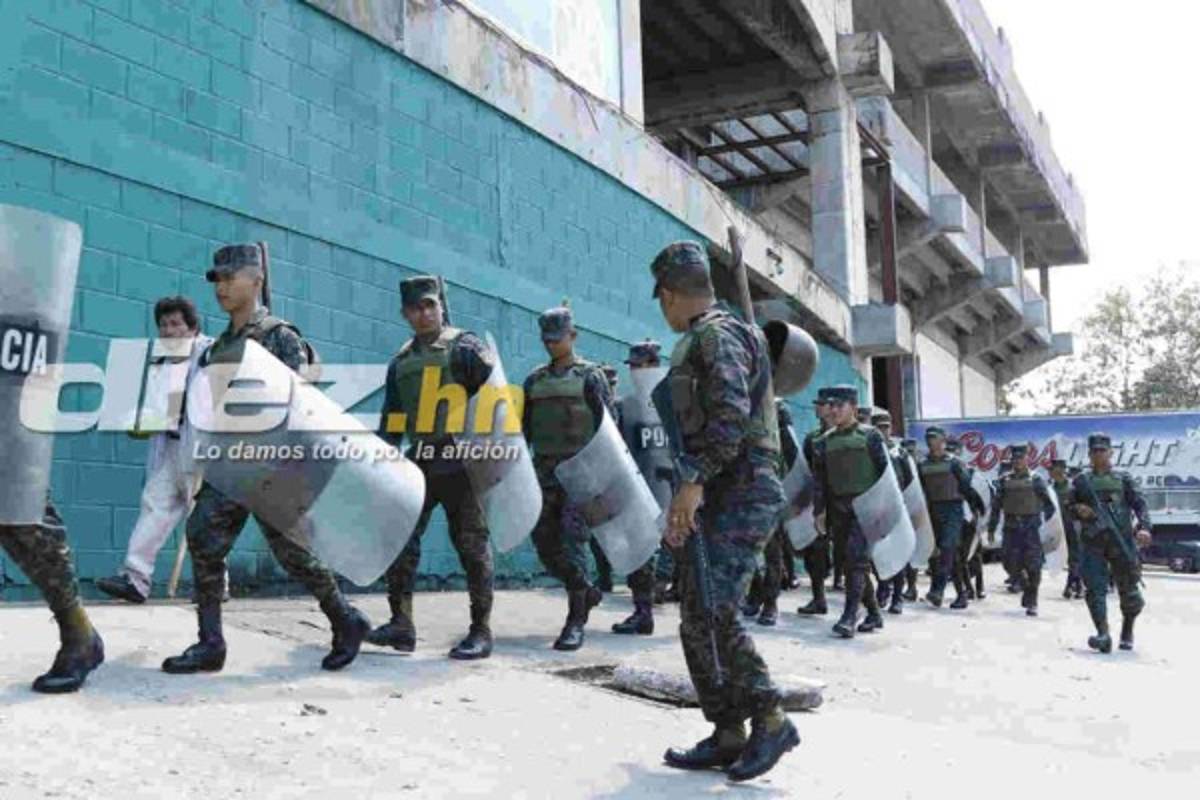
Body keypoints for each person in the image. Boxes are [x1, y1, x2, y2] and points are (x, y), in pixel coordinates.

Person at [161, 244, 370, 674]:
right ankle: (210, 643)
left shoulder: (279, 335)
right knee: (203, 538)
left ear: (256, 280)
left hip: (273, 465)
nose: (221, 286)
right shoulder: (219, 346)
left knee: (293, 555)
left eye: (229, 277)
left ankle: (345, 618)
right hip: (231, 463)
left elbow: (300, 406)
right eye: (216, 279)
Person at [650, 241, 797, 782]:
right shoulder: (706, 336)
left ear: (668, 295)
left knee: (718, 611)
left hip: (741, 487)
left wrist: (693, 484)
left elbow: (731, 419)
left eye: (661, 301)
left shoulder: (718, 335)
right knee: (695, 613)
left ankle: (772, 718)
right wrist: (688, 493)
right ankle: (728, 729)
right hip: (715, 487)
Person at [367, 275, 497, 660]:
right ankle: (401, 625)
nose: (424, 314)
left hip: (461, 461)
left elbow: (494, 402)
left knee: (471, 546)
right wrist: (384, 459)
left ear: (441, 305)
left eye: (430, 305)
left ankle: (481, 630)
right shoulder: (402, 361)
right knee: (399, 540)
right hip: (421, 460)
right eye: (415, 308)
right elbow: (392, 417)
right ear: (405, 314)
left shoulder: (466, 347)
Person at [97, 296, 217, 604]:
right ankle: (136, 580)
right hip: (172, 449)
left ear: (192, 328)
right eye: (163, 325)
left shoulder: (210, 354)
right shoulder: (161, 362)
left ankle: (217, 585)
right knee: (154, 506)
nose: (168, 330)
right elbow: (156, 411)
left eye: (176, 323)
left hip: (202, 451)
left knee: (207, 520)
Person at [522, 305, 613, 651]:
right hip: (545, 471)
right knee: (544, 542)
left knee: (574, 544)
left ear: (572, 336)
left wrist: (603, 477)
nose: (551, 345)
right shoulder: (535, 380)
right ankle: (584, 589)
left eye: (557, 339)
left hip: (582, 472)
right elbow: (523, 430)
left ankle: (575, 621)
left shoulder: (590, 377)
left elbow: (609, 428)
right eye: (546, 339)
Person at [811, 385, 891, 638]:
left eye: (839, 406)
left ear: (854, 408)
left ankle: (849, 616)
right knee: (848, 562)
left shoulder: (871, 436)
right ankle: (874, 613)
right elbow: (819, 481)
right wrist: (819, 511)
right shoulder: (824, 442)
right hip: (838, 509)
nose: (833, 410)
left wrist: (885, 510)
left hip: (866, 508)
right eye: (831, 406)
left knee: (856, 560)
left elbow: (886, 475)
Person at [1069, 434, 1152, 652]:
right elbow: (1068, 506)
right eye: (1095, 451)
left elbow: (1141, 505)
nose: (1099, 455)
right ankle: (1103, 634)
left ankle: (1127, 629)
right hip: (1093, 541)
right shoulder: (1081, 481)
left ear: (1111, 453)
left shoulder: (1123, 479)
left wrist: (1144, 527)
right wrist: (1078, 510)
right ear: (1089, 454)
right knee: (1094, 588)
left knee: (1130, 591)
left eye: (1103, 451)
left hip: (1121, 540)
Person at [612, 342, 669, 636]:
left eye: (640, 366)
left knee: (698, 557)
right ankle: (643, 612)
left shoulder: (676, 401)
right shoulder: (627, 405)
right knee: (641, 552)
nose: (634, 371)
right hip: (641, 487)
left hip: (676, 490)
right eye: (632, 366)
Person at [919, 427, 986, 610]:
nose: (930, 441)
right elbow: (919, 490)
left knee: (948, 547)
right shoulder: (923, 464)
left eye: (934, 438)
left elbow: (966, 487)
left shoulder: (954, 463)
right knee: (945, 555)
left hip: (953, 510)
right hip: (933, 510)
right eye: (928, 438)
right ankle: (961, 594)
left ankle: (938, 589)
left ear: (942, 440)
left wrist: (978, 507)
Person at [986, 444, 1056, 617]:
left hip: (1031, 528)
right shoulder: (1005, 480)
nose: (1017, 462)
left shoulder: (1036, 480)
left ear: (1027, 459)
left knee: (1034, 566)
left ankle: (1032, 599)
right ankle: (1025, 585)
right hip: (1011, 528)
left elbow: (1049, 505)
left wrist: (1051, 527)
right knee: (1009, 562)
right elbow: (996, 507)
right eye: (1015, 459)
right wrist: (991, 528)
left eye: (1021, 458)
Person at [796, 388, 835, 616]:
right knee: (815, 553)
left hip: (842, 500)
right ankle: (819, 598)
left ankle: (867, 607)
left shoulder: (846, 436)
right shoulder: (812, 438)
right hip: (818, 502)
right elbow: (804, 470)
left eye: (822, 404)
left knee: (851, 556)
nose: (817, 408)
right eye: (817, 404)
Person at [872, 408, 914, 615]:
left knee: (898, 552)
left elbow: (909, 481)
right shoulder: (869, 450)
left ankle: (898, 596)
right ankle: (882, 588)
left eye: (886, 428)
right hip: (877, 509)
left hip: (897, 507)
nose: (883, 432)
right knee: (878, 552)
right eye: (879, 428)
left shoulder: (900, 453)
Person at [588, 363, 619, 593]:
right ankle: (605, 575)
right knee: (598, 530)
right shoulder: (594, 408)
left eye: (613, 383)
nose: (611, 387)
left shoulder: (622, 407)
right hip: (599, 474)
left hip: (621, 475)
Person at [1049, 458, 1083, 599]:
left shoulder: (1073, 488)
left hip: (1073, 526)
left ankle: (1071, 586)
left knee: (1075, 557)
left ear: (1063, 471)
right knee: (1064, 557)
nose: (1053, 473)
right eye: (1052, 470)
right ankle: (1078, 585)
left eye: (1057, 470)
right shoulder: (1050, 489)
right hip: (1058, 527)